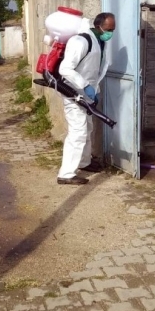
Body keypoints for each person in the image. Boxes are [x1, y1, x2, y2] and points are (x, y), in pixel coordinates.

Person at [56, 12, 116, 185]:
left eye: (113, 29)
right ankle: (66, 174)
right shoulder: (80, 41)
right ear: (98, 26)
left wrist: (93, 91)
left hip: (86, 95)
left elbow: (95, 71)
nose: (111, 32)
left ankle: (84, 163)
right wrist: (85, 86)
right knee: (78, 132)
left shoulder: (101, 42)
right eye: (108, 29)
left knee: (87, 129)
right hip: (73, 93)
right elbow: (65, 69)